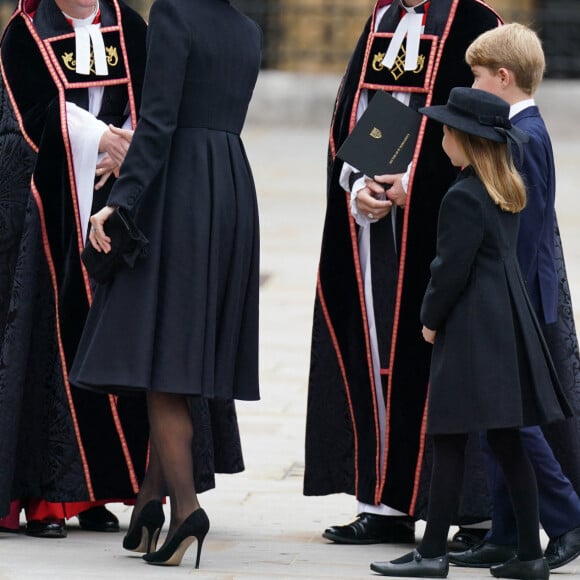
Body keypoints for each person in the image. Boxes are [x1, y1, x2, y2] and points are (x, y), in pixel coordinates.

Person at [69, 0, 262, 568]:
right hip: (230, 188)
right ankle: (149, 504)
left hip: (178, 194)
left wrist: (118, 203)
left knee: (161, 359)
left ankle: (185, 509)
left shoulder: (173, 14)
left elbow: (156, 124)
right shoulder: (247, 30)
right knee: (180, 350)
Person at [304, 0, 502, 544]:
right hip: (379, 230)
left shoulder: (475, 25)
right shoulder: (383, 21)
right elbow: (366, 113)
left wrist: (415, 182)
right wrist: (358, 181)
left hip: (443, 225)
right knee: (377, 353)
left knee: (450, 362)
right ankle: (386, 503)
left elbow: (489, 131)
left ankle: (475, 513)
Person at [370, 86, 572, 580]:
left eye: (445, 130)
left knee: (448, 439)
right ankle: (527, 553)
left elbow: (449, 271)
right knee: (506, 440)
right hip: (506, 325)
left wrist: (429, 319)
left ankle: (433, 553)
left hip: (469, 330)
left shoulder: (462, 195)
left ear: (463, 139)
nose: (440, 136)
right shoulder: (505, 187)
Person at [0, 0, 150, 538]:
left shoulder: (129, 25)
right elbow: (31, 115)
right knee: (46, 345)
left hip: (117, 197)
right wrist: (95, 140)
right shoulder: (24, 33)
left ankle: (95, 491)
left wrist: (122, 150)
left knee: (108, 346)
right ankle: (43, 497)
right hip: (50, 210)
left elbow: (148, 102)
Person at [447, 23, 580, 571]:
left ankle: (568, 516)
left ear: (502, 78)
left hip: (519, 300)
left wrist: (508, 306)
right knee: (495, 420)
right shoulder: (526, 129)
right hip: (522, 297)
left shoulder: (523, 137)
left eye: (478, 78)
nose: (474, 88)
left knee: (516, 422)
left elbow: (522, 232)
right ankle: (504, 531)